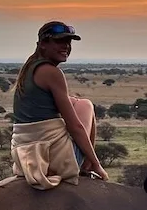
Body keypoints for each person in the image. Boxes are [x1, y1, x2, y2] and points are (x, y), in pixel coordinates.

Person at [11, 21, 108, 189]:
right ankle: (87, 166)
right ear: (42, 44)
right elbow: (75, 126)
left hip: (26, 157)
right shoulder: (51, 72)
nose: (66, 46)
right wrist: (98, 164)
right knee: (85, 105)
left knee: (74, 102)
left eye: (68, 42)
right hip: (51, 159)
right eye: (59, 41)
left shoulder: (29, 69)